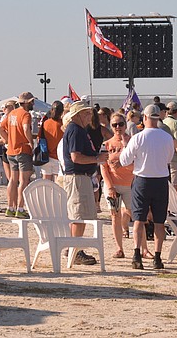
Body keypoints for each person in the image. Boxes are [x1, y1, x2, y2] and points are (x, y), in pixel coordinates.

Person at [119, 104, 175, 270]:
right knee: (159, 222)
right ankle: (157, 257)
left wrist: (125, 147)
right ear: (158, 118)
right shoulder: (166, 137)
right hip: (160, 179)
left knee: (138, 219)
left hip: (142, 180)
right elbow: (169, 158)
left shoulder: (138, 137)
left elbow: (124, 161)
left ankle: (137, 254)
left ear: (145, 118)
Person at [62, 101, 107, 265]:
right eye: (86, 113)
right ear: (78, 115)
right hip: (77, 176)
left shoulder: (79, 130)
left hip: (81, 176)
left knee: (79, 215)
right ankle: (75, 250)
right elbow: (75, 157)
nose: (90, 115)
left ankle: (73, 248)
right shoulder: (75, 130)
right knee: (78, 216)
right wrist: (96, 159)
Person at [0, 92, 36, 219]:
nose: (33, 104)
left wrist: (8, 141)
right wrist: (31, 143)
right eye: (31, 102)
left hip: (11, 151)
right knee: (23, 180)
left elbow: (0, 128)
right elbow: (26, 128)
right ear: (26, 102)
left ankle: (10, 207)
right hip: (22, 149)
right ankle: (20, 208)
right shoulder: (25, 114)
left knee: (13, 180)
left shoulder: (11, 113)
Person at [102, 112, 134, 258]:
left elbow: (137, 160)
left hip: (130, 184)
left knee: (135, 214)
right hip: (113, 184)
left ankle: (141, 248)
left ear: (125, 125)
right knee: (115, 216)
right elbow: (103, 167)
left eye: (120, 124)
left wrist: (126, 145)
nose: (118, 127)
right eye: (114, 125)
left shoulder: (132, 141)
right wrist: (109, 187)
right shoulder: (106, 144)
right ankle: (119, 248)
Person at [36, 101, 64, 183]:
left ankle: (46, 196)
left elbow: (39, 138)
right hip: (58, 156)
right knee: (57, 182)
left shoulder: (46, 123)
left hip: (46, 155)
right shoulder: (63, 124)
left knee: (46, 180)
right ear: (62, 112)